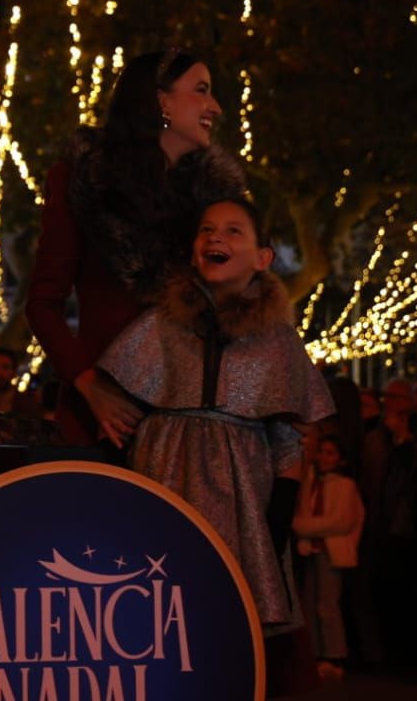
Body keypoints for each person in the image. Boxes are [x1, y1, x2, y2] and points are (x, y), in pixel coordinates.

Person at [96, 198, 334, 635]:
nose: (215, 237)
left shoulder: (278, 342)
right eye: (206, 229)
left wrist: (273, 530)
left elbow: (288, 446)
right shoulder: (157, 328)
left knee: (224, 630)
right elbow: (117, 418)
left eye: (233, 230)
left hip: (242, 506)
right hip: (163, 487)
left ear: (263, 258)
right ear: (193, 250)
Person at [26, 48, 245, 448]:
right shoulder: (86, 182)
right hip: (108, 420)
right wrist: (89, 384)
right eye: (201, 90)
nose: (215, 107)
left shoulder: (218, 204)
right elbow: (42, 303)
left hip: (192, 424)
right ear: (162, 100)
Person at [294, 431, 365, 682]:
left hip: (331, 553)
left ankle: (334, 655)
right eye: (321, 452)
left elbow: (340, 522)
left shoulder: (345, 486)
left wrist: (304, 527)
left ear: (340, 459)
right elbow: (303, 513)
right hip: (311, 550)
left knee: (328, 605)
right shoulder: (310, 483)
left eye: (330, 453)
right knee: (310, 603)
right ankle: (314, 653)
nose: (324, 457)